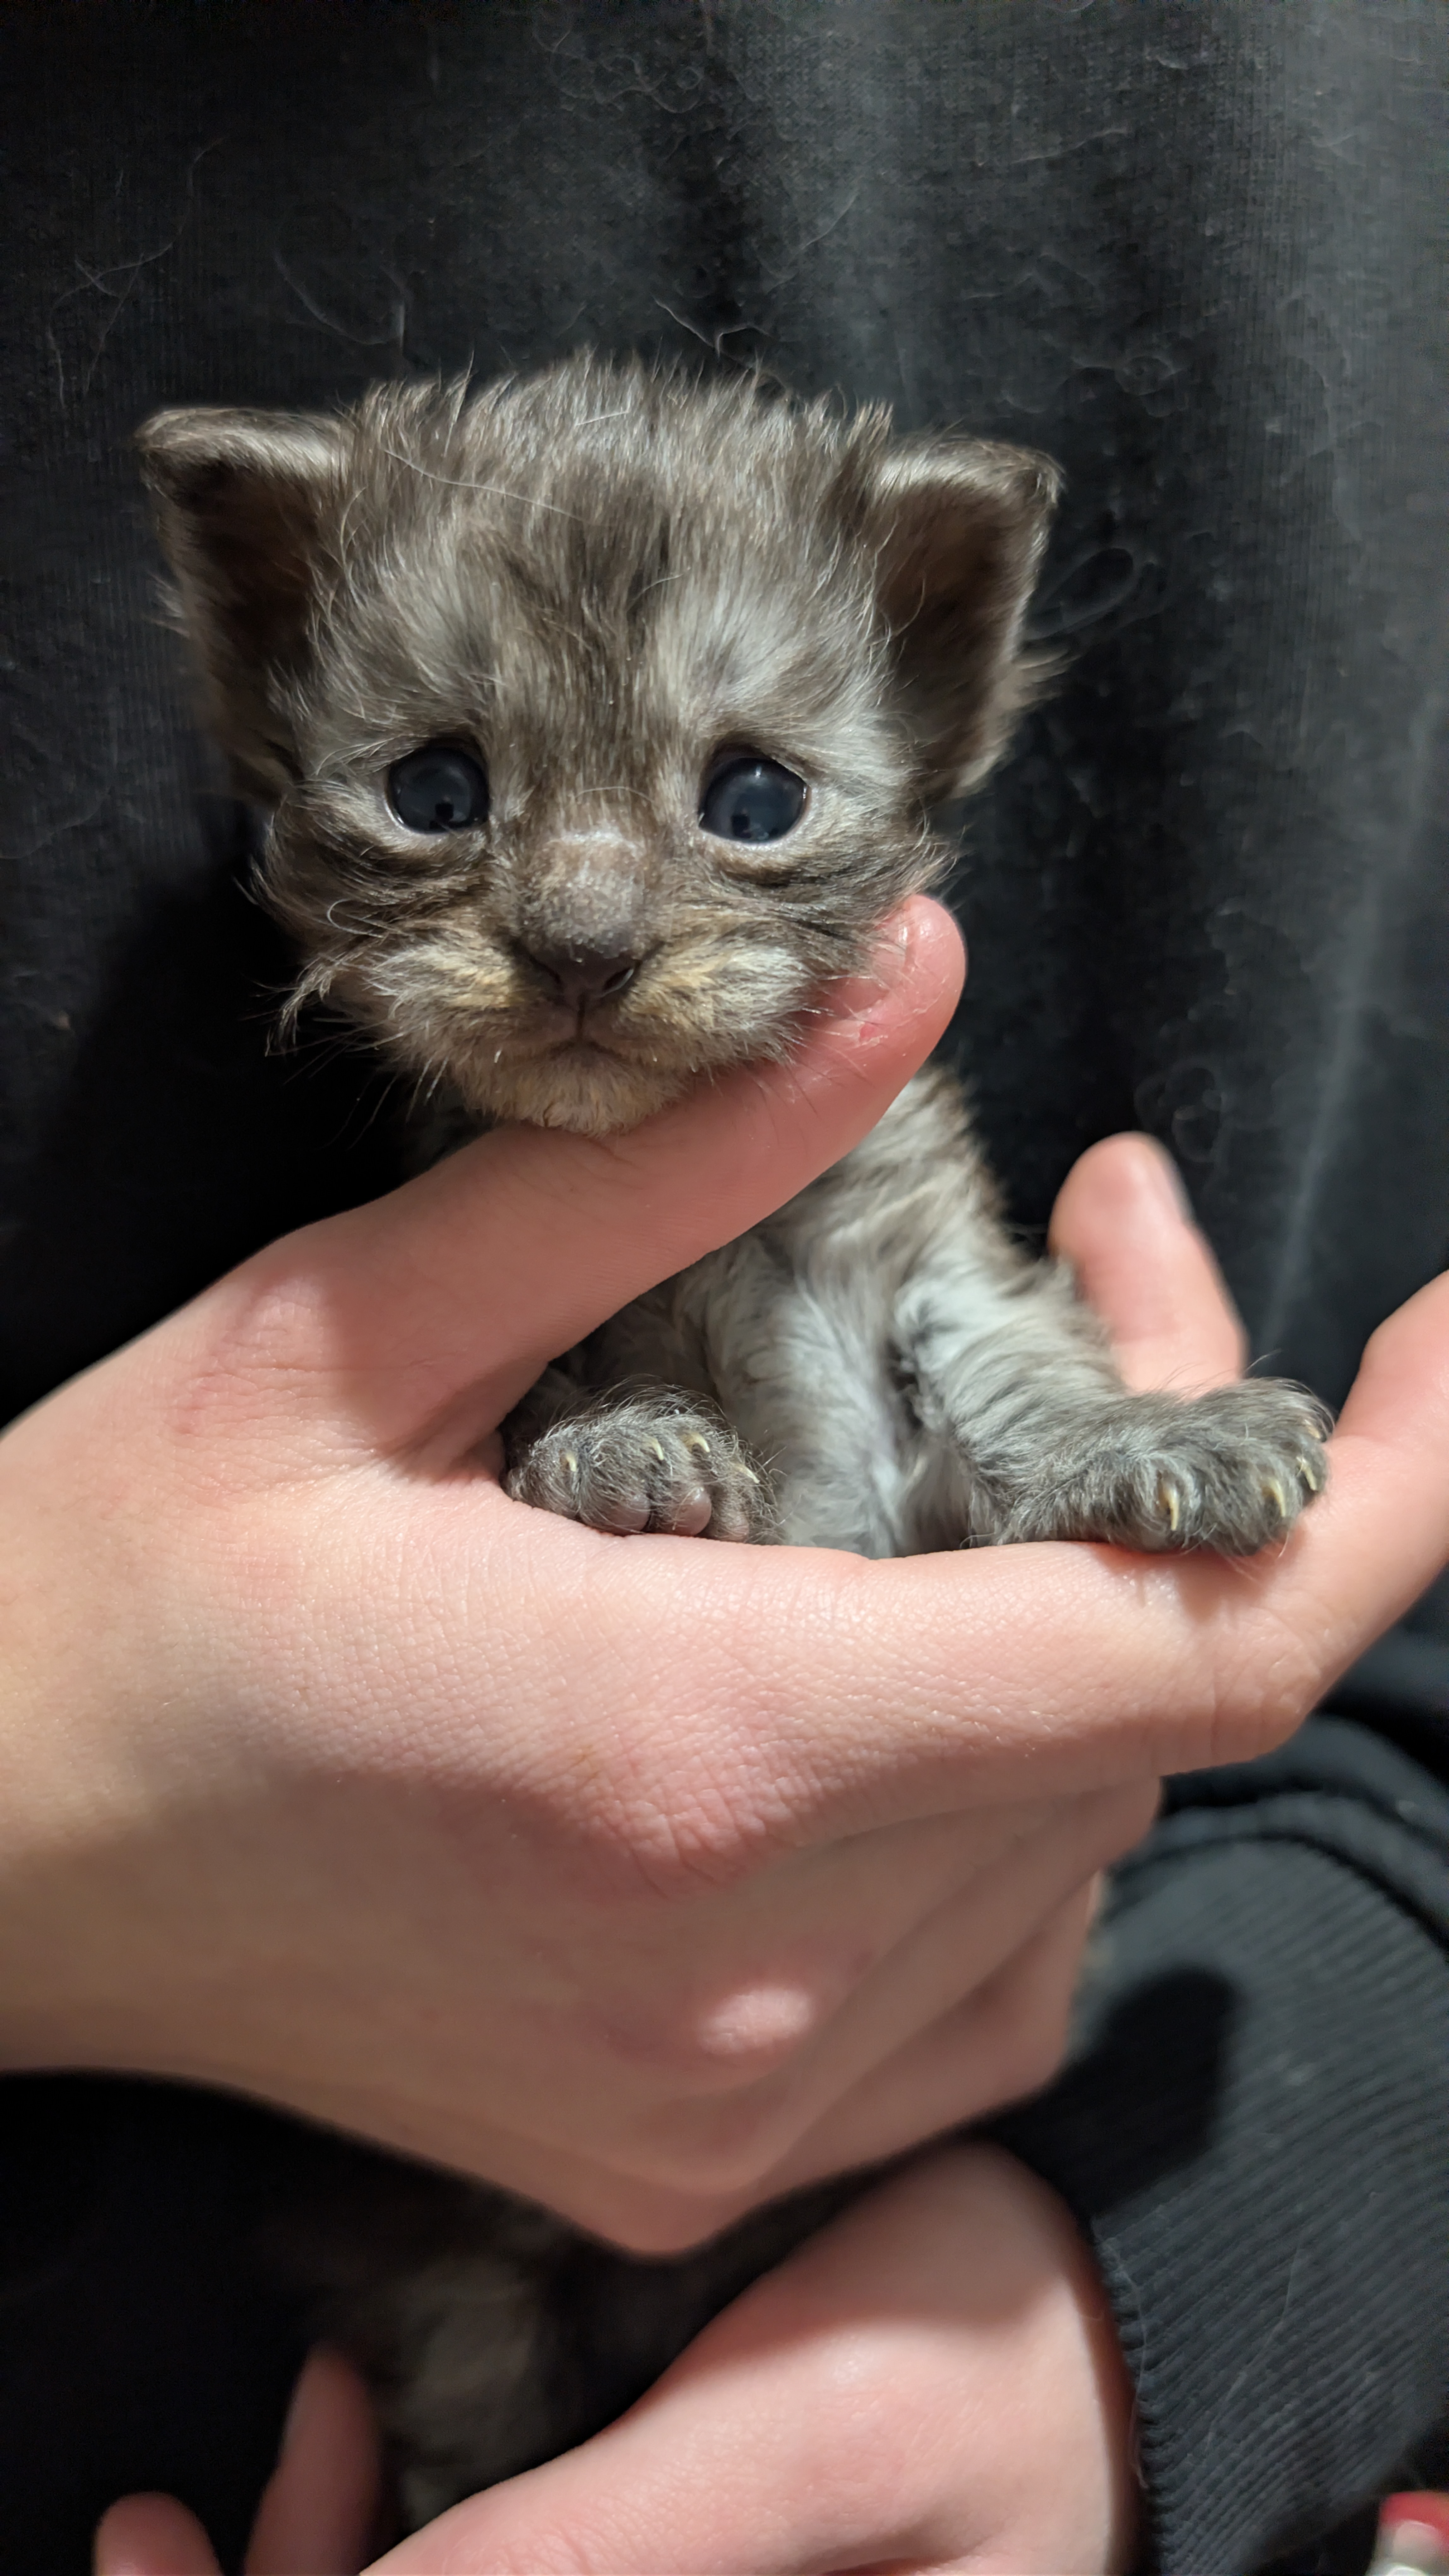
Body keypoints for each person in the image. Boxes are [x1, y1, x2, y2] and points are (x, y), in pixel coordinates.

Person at [2, 7, 1445, 2571]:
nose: (576, 915)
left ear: (936, 670)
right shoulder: (373, 1240)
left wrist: (1153, 2321)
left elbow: (970, 1334)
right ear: (264, 653)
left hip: (1014, 2236)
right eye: (438, 793)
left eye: (746, 799)